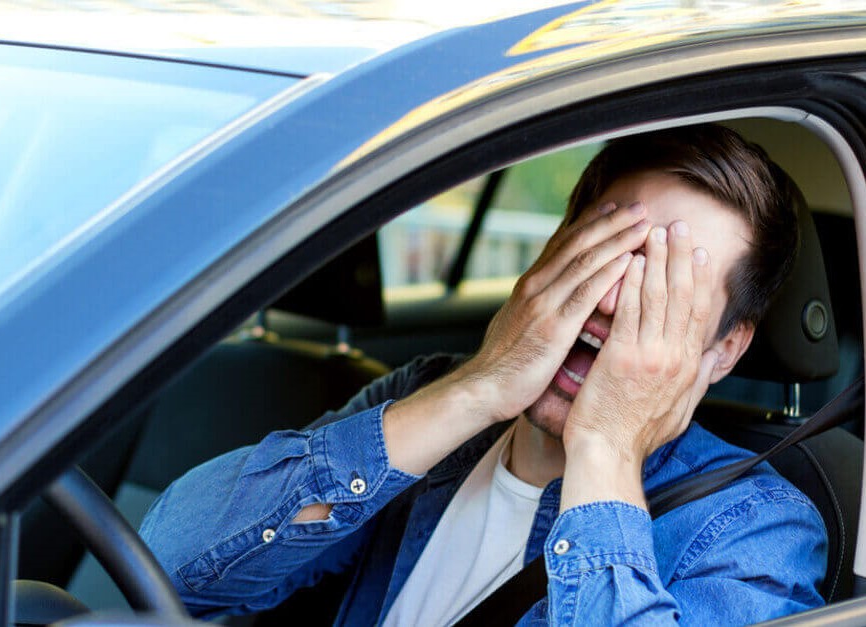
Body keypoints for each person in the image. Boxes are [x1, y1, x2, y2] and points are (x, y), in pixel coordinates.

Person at [140, 124, 827, 625]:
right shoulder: (425, 400)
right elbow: (166, 566)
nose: (614, 298)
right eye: (606, 251)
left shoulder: (756, 529)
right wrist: (475, 387)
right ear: (554, 249)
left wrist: (606, 449)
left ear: (725, 349)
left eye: (664, 288)